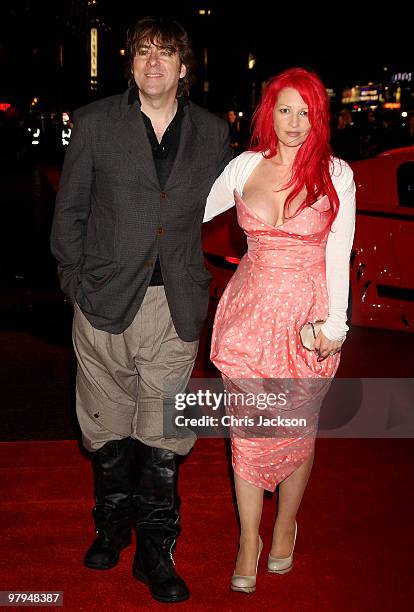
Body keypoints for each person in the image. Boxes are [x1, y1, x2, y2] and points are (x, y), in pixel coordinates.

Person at [50, 16, 231, 604]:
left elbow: (244, 204)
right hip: (103, 301)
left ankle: (157, 551)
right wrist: (76, 283)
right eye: (143, 53)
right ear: (130, 64)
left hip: (173, 304)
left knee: (165, 435)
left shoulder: (211, 133)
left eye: (166, 54)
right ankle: (112, 525)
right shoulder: (96, 123)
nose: (153, 62)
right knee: (105, 431)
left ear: (184, 68)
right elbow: (69, 214)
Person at [203, 67, 356, 593]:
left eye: (306, 112)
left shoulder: (337, 174)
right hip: (248, 316)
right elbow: (186, 213)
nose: (294, 123)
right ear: (269, 112)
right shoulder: (244, 166)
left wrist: (335, 324)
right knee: (247, 434)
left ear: (320, 118)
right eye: (285, 110)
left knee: (297, 428)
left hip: (304, 323)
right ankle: (250, 537)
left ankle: (285, 523)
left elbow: (339, 253)